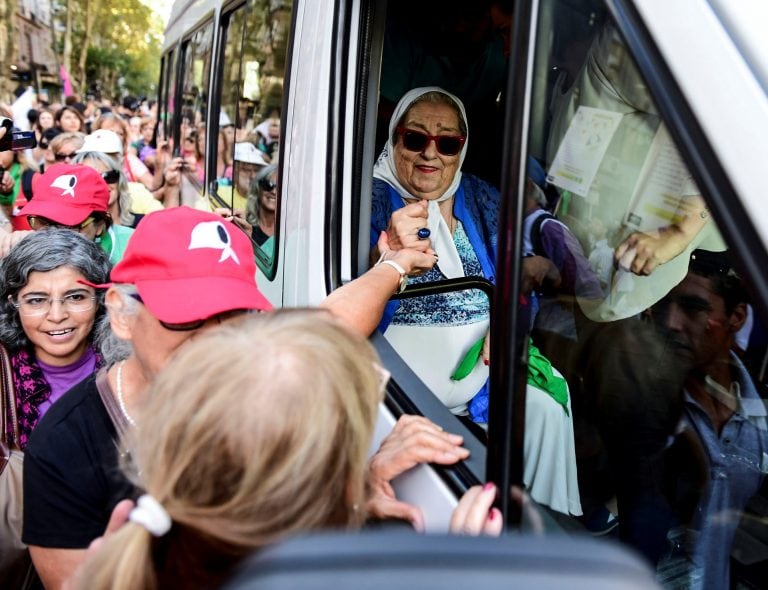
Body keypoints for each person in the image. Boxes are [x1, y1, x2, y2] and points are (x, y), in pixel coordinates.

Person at [23, 206, 454, 589]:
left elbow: (329, 327)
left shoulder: (263, 384)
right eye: (185, 316)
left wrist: (361, 484)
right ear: (121, 312)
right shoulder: (63, 446)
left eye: (232, 316)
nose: (213, 340)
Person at [370, 87, 581, 517]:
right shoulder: (368, 198)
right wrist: (386, 256)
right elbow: (348, 285)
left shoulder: (482, 200)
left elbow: (514, 277)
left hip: (479, 382)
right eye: (415, 139)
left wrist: (507, 321)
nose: (431, 153)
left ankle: (546, 528)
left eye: (447, 142)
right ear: (395, 141)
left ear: (461, 150)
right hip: (400, 394)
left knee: (548, 408)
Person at [650, 251, 768, 588]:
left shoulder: (759, 416)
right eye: (666, 304)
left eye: (693, 308)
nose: (672, 322)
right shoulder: (641, 396)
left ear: (737, 317)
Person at [0, 229, 111, 449]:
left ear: (99, 300)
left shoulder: (128, 369)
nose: (57, 316)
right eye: (37, 300)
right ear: (13, 303)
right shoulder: (3, 375)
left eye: (75, 297)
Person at [10, 163, 134, 263]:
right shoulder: (21, 250)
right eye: (42, 222)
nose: (54, 236)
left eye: (68, 227)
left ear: (100, 226)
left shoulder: (133, 249)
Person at [71, 150, 162, 228]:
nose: (102, 185)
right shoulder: (75, 235)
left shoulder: (142, 225)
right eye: (91, 180)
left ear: (119, 179)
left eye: (108, 177)